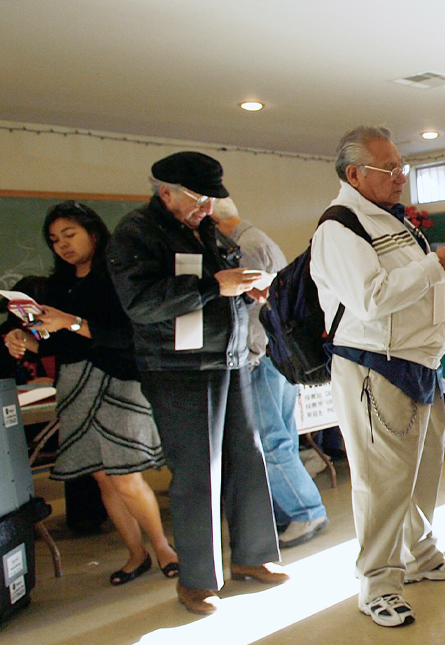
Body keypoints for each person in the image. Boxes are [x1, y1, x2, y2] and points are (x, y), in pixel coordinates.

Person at [108, 151, 287, 615]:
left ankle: (253, 558)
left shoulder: (205, 229)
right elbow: (141, 303)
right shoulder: (134, 233)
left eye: (213, 200)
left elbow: (220, 283)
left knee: (248, 458)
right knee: (196, 473)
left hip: (230, 359)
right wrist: (215, 286)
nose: (208, 209)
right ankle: (197, 580)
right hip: (178, 370)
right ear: (165, 192)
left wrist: (246, 289)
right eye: (199, 199)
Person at [310, 126, 445, 628]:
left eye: (403, 166)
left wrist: (439, 267)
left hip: (419, 365)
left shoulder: (395, 223)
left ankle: (420, 556)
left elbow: (412, 289)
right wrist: (435, 265)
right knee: (381, 483)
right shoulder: (339, 227)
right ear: (354, 174)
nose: (401, 176)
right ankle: (376, 582)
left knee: (421, 472)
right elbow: (370, 299)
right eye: (390, 168)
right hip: (373, 369)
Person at [4, 201, 178, 586]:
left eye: (70, 235)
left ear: (93, 233)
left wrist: (73, 321)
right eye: (54, 240)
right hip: (74, 384)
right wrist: (21, 339)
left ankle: (164, 547)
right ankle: (137, 553)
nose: (62, 245)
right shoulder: (58, 285)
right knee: (103, 478)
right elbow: (52, 346)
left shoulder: (118, 274)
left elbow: (129, 335)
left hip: (119, 380)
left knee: (127, 476)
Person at [209, 198, 330, 548]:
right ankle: (296, 508)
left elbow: (246, 306)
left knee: (270, 439)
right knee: (284, 437)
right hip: (278, 353)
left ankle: (306, 510)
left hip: (260, 354)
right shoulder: (262, 240)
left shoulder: (245, 248)